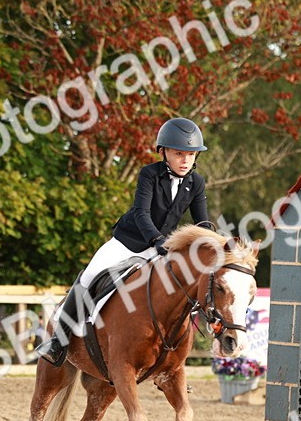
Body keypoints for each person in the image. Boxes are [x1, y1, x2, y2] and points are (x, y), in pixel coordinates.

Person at [35, 117, 210, 366]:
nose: (185, 160)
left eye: (190, 155)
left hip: (161, 250)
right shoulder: (149, 174)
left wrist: (215, 244)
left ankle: (171, 360)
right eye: (179, 153)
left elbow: (202, 223)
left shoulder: (196, 183)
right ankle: (58, 342)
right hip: (128, 241)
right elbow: (141, 213)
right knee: (88, 277)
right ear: (164, 152)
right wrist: (157, 240)